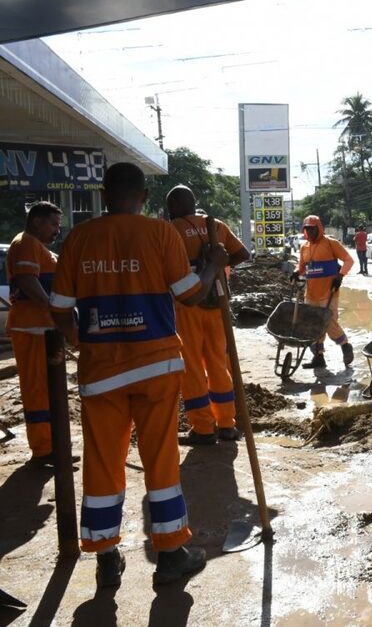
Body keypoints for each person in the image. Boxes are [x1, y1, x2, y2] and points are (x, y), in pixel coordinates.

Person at [50, 162, 227, 588]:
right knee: (160, 457)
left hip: (101, 372)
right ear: (145, 196)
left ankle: (106, 556)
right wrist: (212, 264)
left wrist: (80, 342)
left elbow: (58, 307)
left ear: (103, 193)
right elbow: (190, 294)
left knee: (102, 460)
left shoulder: (79, 238)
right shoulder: (159, 233)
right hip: (156, 366)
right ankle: (170, 554)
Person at [166, 186, 251, 445]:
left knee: (191, 366)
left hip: (186, 304)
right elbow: (243, 254)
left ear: (173, 208)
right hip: (218, 303)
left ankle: (203, 428)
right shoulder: (216, 226)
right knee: (218, 363)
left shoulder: (171, 230)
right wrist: (216, 267)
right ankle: (227, 424)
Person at [6, 201, 62, 465]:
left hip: (43, 329)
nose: (57, 231)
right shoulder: (25, 243)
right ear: (37, 221)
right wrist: (53, 306)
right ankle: (42, 449)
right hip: (31, 328)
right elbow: (27, 280)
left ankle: (50, 444)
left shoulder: (36, 247)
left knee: (48, 389)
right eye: (53, 224)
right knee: (37, 390)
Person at [293, 215, 355, 369]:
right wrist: (295, 272)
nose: (310, 231)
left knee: (328, 322)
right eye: (307, 229)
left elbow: (349, 260)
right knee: (313, 324)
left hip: (329, 291)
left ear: (319, 228)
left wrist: (340, 276)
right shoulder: (304, 247)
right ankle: (318, 357)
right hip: (311, 293)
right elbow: (302, 267)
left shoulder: (330, 243)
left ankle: (345, 345)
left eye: (312, 228)